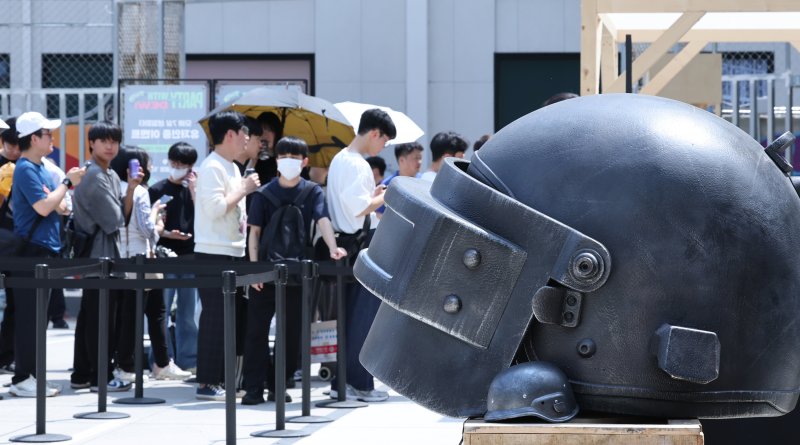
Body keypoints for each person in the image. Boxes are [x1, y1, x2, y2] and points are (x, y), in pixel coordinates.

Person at [241, 136, 346, 405]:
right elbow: (254, 233)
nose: (289, 161)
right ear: (277, 160)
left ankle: (277, 385)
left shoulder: (311, 192)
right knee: (257, 331)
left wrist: (333, 248)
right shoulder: (266, 194)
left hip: (295, 272)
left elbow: (323, 221)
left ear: (305, 162)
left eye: (295, 157)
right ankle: (254, 387)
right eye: (284, 156)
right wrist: (254, 271)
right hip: (271, 271)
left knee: (290, 334)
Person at [9, 111, 84, 397]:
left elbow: (59, 206)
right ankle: (22, 378)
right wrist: (66, 183)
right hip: (32, 252)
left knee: (39, 318)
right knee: (30, 317)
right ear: (33, 138)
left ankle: (33, 376)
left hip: (47, 249)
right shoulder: (26, 168)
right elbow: (44, 207)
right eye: (47, 134)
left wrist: (59, 195)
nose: (51, 138)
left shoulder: (39, 167)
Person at [325, 108, 395, 402]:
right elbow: (359, 208)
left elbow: (355, 203)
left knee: (351, 317)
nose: (383, 148)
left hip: (346, 243)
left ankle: (346, 381)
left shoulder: (340, 159)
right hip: (362, 244)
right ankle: (359, 383)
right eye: (384, 141)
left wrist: (374, 195)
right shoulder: (357, 165)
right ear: (374, 133)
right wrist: (388, 193)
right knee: (363, 319)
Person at [193, 110, 260, 400]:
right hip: (213, 253)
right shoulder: (213, 167)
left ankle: (221, 379)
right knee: (215, 319)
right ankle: (207, 382)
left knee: (230, 319)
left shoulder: (231, 167)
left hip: (232, 251)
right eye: (244, 133)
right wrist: (244, 189)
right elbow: (214, 208)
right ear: (230, 135)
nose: (247, 139)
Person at [110, 146, 192, 382]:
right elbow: (148, 230)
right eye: (146, 163)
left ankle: (161, 362)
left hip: (128, 257)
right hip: (142, 257)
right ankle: (129, 365)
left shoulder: (117, 188)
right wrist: (156, 217)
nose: (149, 168)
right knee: (140, 313)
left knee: (153, 310)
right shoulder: (140, 192)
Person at [70, 121, 136, 392]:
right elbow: (115, 219)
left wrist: (131, 188)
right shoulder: (95, 175)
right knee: (101, 320)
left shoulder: (107, 173)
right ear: (92, 143)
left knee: (91, 316)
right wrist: (124, 198)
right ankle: (100, 376)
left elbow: (122, 216)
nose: (110, 146)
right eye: (104, 140)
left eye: (114, 141)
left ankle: (83, 374)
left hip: (104, 256)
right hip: (98, 258)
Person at [149, 141, 199, 373]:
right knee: (161, 311)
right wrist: (169, 234)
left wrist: (194, 191)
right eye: (175, 163)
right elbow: (150, 224)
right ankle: (160, 360)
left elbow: (204, 216)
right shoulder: (157, 189)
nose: (178, 168)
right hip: (164, 255)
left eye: (184, 165)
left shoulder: (194, 191)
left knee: (188, 314)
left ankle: (189, 360)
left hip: (190, 255)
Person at [375, 142, 423, 218]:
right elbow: (378, 214)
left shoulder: (424, 182)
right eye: (416, 158)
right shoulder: (388, 184)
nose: (419, 162)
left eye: (420, 158)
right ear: (402, 160)